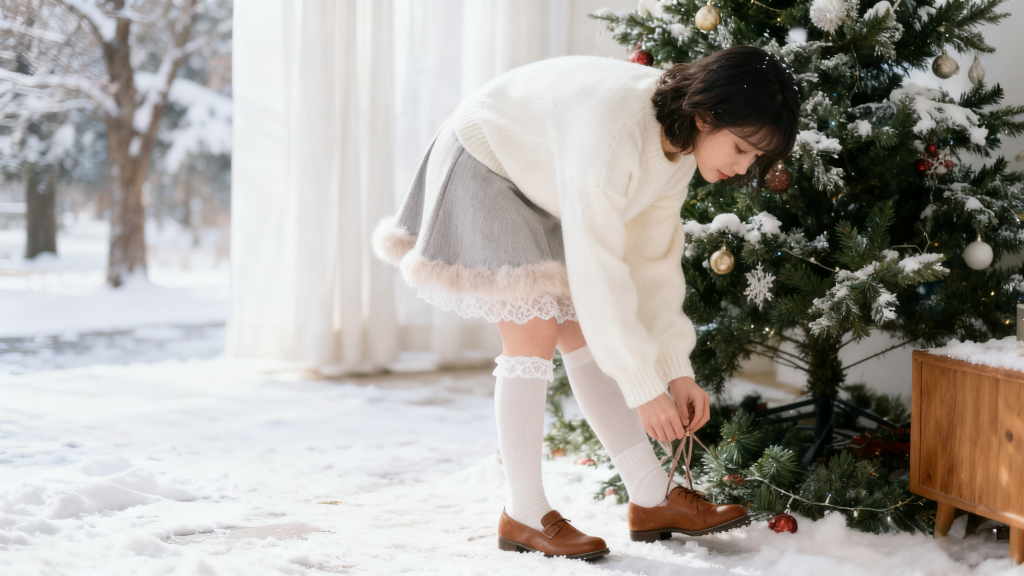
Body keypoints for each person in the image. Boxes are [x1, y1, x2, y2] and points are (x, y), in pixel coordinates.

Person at [372, 45, 800, 560]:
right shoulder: (615, 135)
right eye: (741, 147)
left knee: (577, 324)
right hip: (487, 160)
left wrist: (675, 371)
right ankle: (524, 512)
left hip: (543, 176)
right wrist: (644, 390)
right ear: (707, 115)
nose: (745, 166)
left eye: (757, 158)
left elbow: (652, 266)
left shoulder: (679, 156)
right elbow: (601, 271)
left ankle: (650, 495)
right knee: (534, 329)